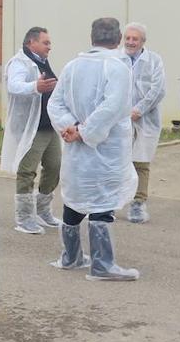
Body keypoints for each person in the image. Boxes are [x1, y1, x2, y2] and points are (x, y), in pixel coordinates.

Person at [46, 17, 139, 281]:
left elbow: (55, 104)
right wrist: (85, 131)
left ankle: (71, 256)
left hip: (76, 145)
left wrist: (72, 127)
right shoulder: (118, 67)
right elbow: (112, 107)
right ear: (118, 39)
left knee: (76, 194)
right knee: (103, 198)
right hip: (105, 148)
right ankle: (102, 265)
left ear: (92, 37)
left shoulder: (73, 66)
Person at [0, 26, 60, 234]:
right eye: (46, 43)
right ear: (31, 43)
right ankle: (24, 218)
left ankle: (43, 212)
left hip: (50, 126)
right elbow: (14, 86)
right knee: (27, 170)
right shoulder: (20, 62)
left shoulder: (42, 61)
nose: (49, 47)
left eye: (49, 43)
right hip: (31, 127)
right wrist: (36, 87)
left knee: (54, 167)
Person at [121, 23, 165, 223]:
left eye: (135, 39)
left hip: (146, 119)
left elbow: (158, 89)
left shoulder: (154, 60)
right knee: (117, 161)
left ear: (143, 42)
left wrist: (139, 109)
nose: (130, 42)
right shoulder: (116, 59)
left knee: (141, 162)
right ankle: (114, 201)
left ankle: (138, 203)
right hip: (120, 120)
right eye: (128, 38)